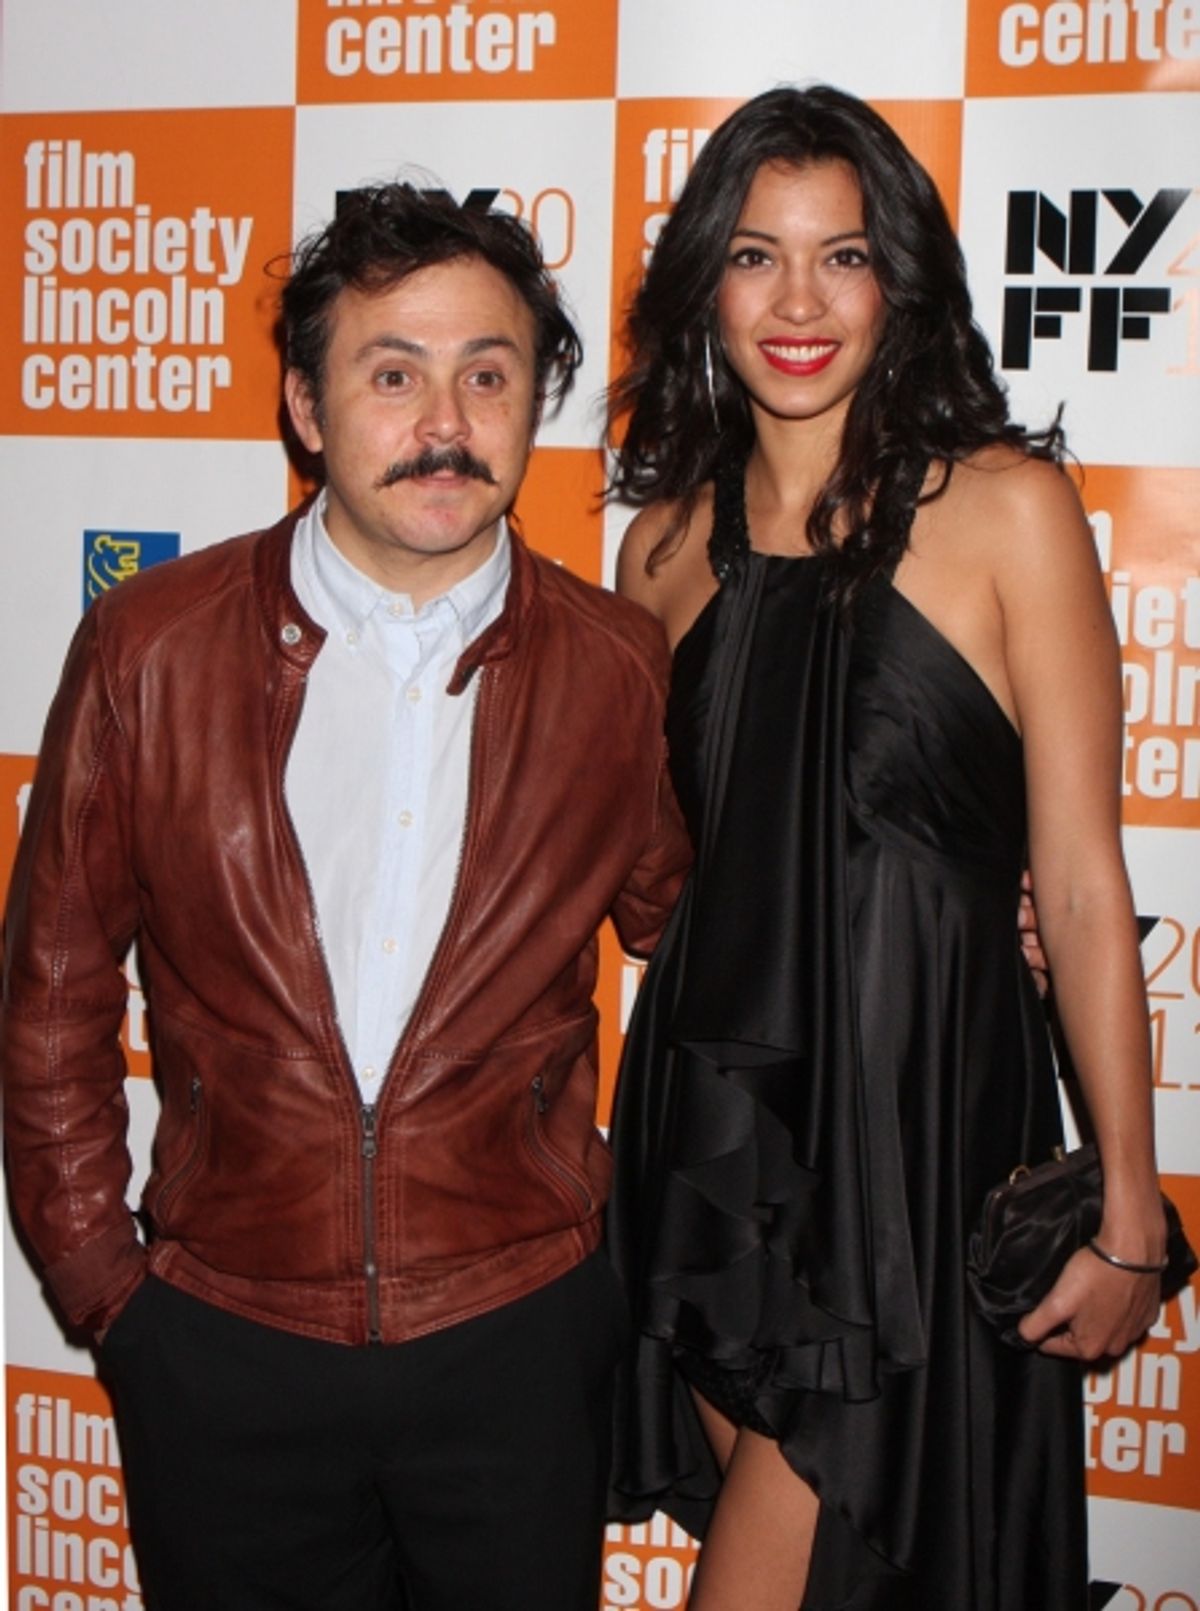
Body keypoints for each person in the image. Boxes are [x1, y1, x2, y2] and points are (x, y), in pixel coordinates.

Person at [1, 184, 692, 1611]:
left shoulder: (617, 668)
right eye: (395, 372)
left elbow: (707, 943)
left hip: (519, 1331)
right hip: (221, 1341)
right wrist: (106, 1293)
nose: (447, 419)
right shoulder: (149, 651)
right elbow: (54, 992)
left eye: (487, 374)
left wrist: (949, 902)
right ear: (308, 410)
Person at [605, 86, 1165, 1610]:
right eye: (754, 255)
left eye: (841, 257)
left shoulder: (1007, 512)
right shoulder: (654, 549)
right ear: (701, 282)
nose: (798, 303)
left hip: (915, 1137)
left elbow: (1086, 878)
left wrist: (1131, 1204)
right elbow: (655, 887)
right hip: (707, 1138)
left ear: (899, 278)